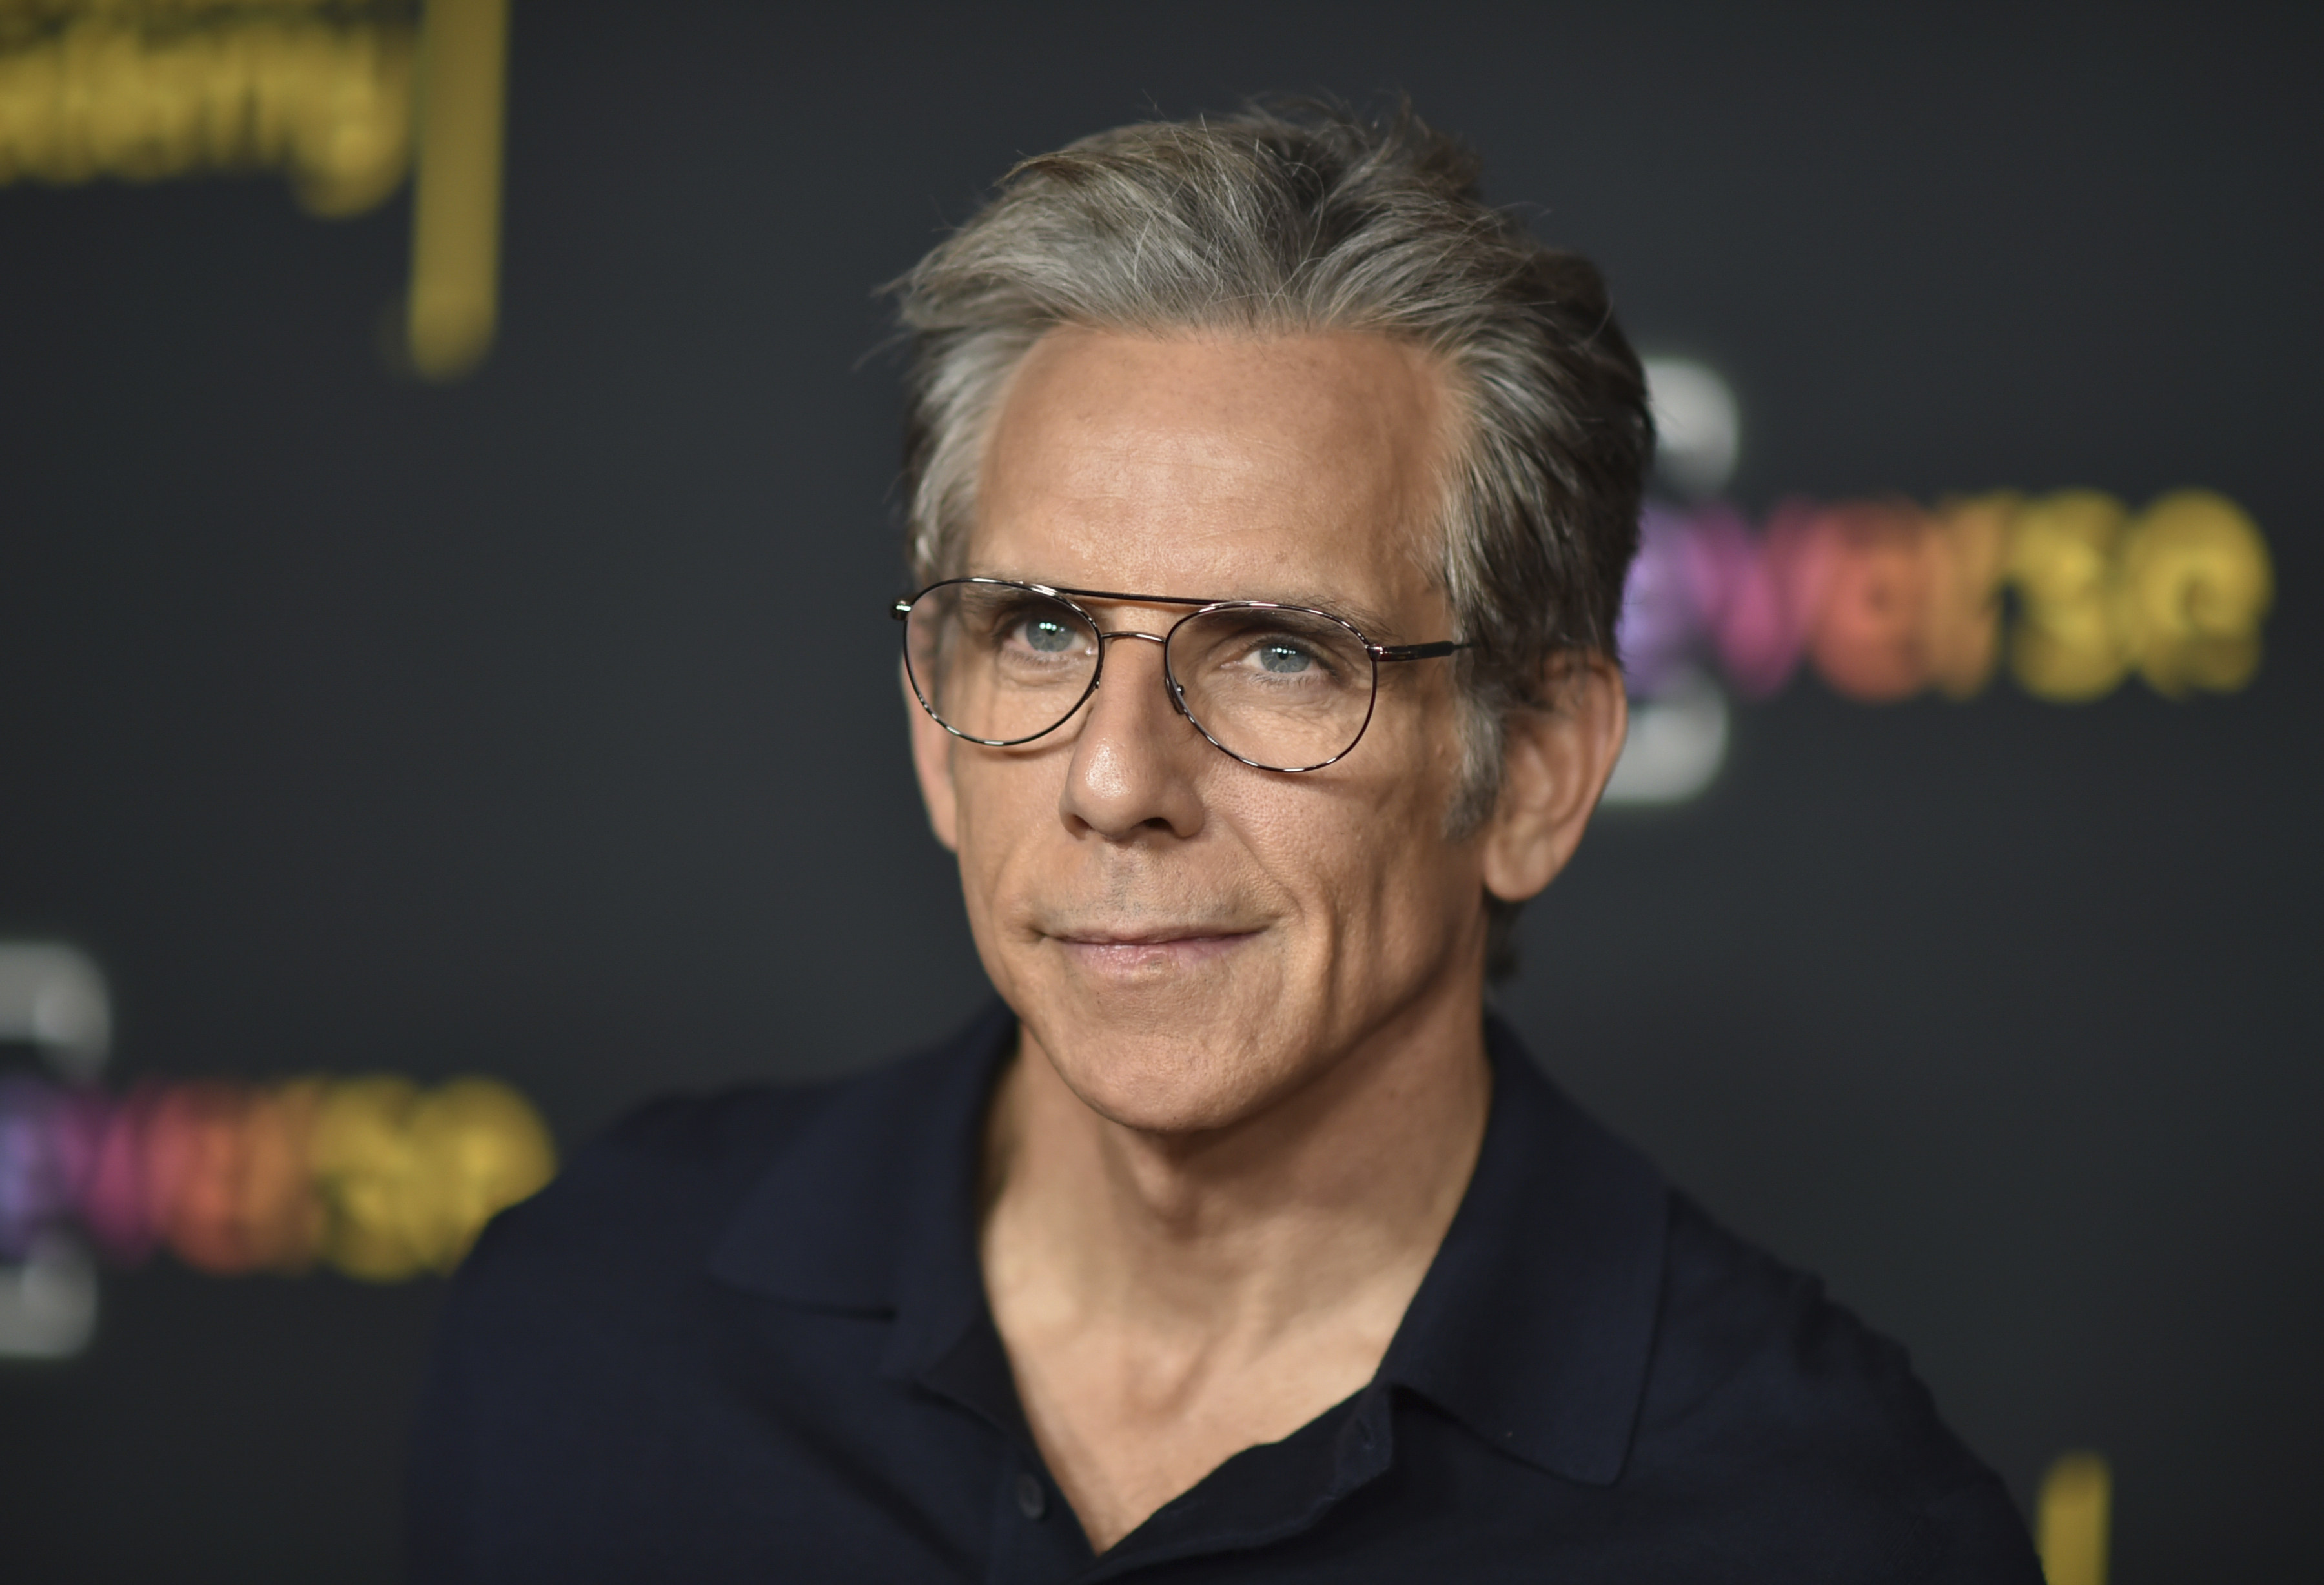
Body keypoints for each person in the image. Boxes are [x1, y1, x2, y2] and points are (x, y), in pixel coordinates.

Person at [408, 101, 2041, 1581]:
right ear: (932, 724)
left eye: (1279, 653)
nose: (1117, 776)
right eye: (1041, 631)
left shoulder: (1825, 1524)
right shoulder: (596, 1322)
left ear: (1538, 769)